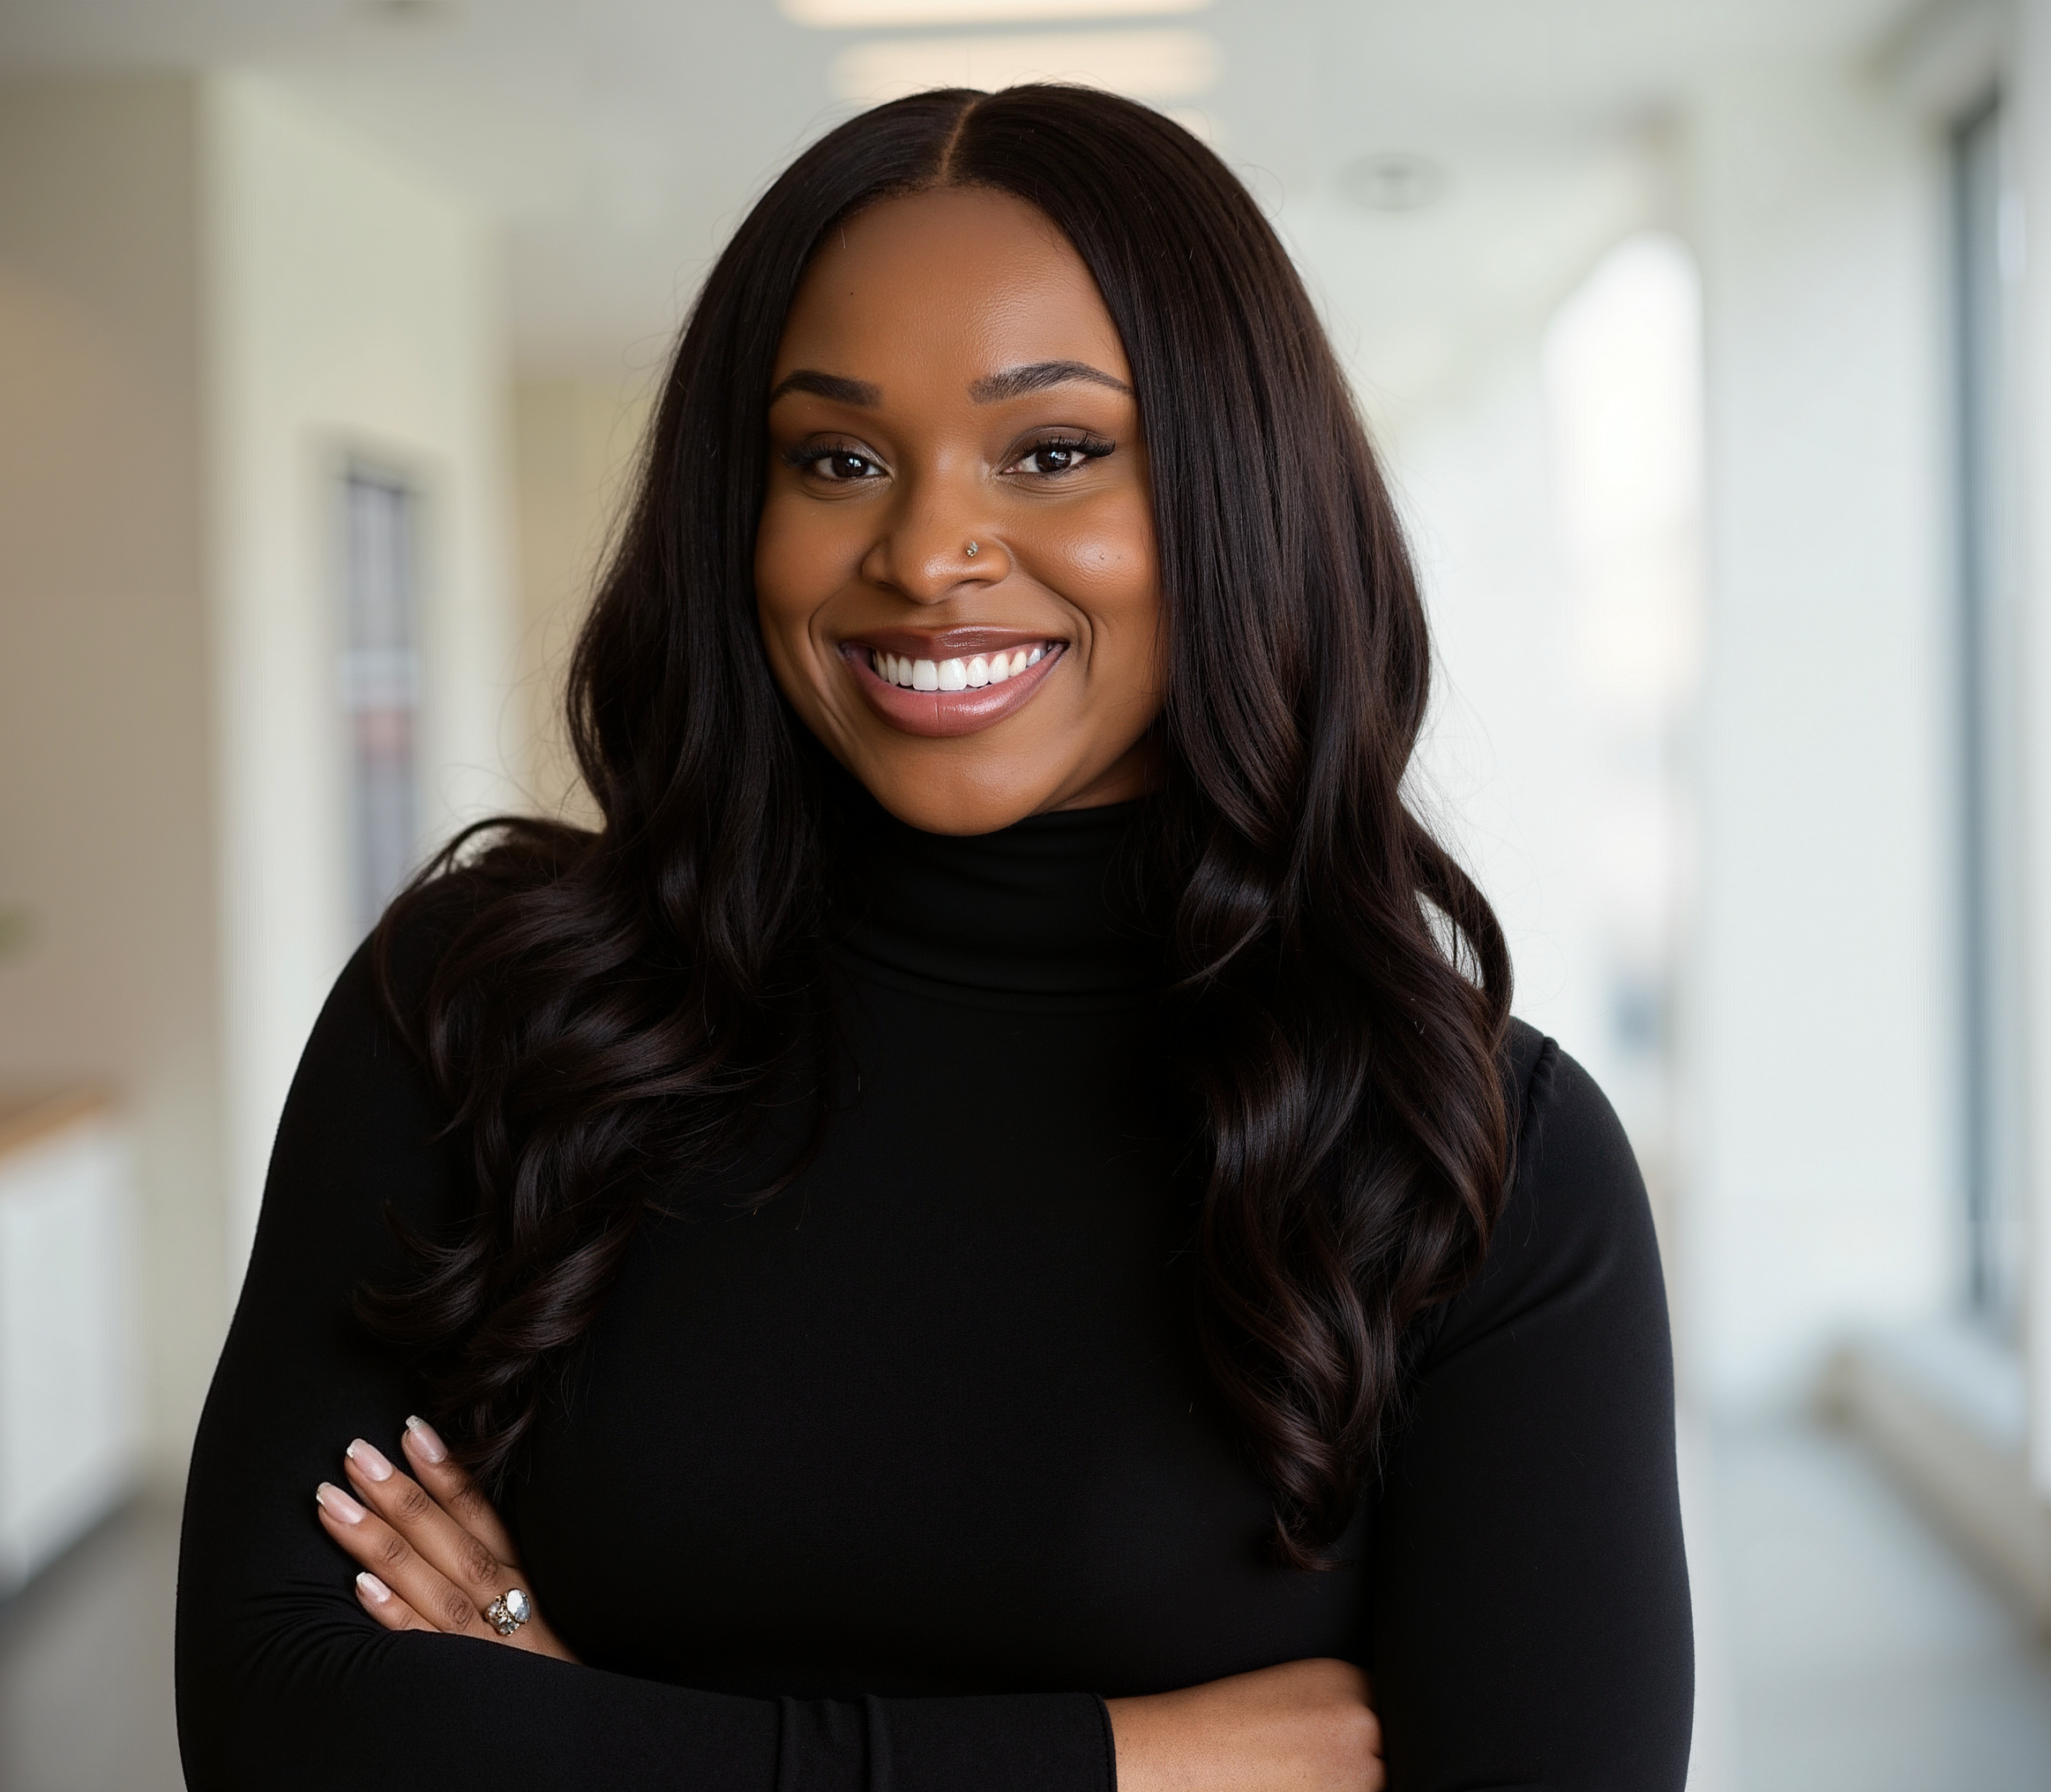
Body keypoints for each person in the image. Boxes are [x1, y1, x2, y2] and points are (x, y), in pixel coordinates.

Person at [175, 85, 1693, 1791]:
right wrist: (1139, 1763)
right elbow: (278, 1729)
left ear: (1234, 485)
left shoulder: (1475, 1155)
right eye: (837, 458)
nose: (925, 551)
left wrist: (560, 1698)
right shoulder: (480, 1014)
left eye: (1052, 452)